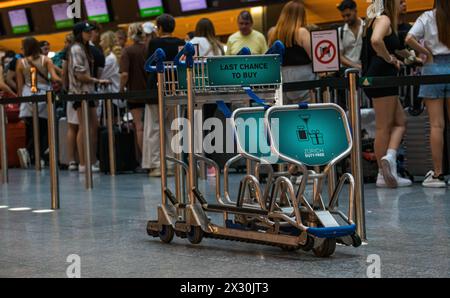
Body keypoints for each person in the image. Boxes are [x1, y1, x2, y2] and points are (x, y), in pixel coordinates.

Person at [361, 0, 412, 188]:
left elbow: (395, 47)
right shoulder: (383, 19)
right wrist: (390, 59)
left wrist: (412, 57)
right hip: (382, 77)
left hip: (380, 76)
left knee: (401, 122)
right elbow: (376, 41)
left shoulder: (377, 19)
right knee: (384, 126)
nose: (404, 4)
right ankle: (383, 174)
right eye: (401, 1)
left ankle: (389, 159)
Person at [406, 0, 450, 188]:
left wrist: (426, 53)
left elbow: (408, 39)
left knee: (436, 125)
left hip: (432, 69)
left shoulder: (427, 16)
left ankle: (438, 174)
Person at [145, 14, 185, 177]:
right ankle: (173, 164)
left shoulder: (154, 43)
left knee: (154, 127)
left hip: (156, 89)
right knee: (173, 127)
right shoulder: (181, 43)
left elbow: (149, 63)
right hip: (176, 90)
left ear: (160, 28)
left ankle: (156, 165)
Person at [68, 21, 110, 173]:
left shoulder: (85, 48)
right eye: (87, 31)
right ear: (79, 33)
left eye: (90, 31)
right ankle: (83, 163)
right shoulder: (76, 49)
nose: (90, 33)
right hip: (80, 93)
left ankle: (91, 160)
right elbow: (80, 75)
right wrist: (98, 81)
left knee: (92, 127)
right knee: (83, 127)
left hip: (89, 92)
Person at [16, 37, 62, 167]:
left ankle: (30, 153)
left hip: (28, 95)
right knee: (43, 128)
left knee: (31, 128)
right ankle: (36, 155)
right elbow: (54, 77)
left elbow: (20, 86)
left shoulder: (21, 62)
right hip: (42, 95)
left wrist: (20, 101)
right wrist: (63, 80)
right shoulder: (45, 59)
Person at [190, 18, 224, 177]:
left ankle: (197, 161)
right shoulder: (217, 45)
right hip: (215, 91)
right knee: (210, 126)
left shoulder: (193, 42)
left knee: (196, 127)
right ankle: (210, 164)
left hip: (197, 90)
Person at [268, 1, 315, 103]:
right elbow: (314, 57)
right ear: (301, 15)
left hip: (281, 77)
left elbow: (271, 58)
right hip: (303, 77)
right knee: (305, 113)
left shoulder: (272, 33)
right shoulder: (302, 32)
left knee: (285, 112)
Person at [120, 23, 148, 165]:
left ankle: (144, 159)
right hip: (150, 93)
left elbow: (124, 74)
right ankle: (154, 157)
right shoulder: (149, 48)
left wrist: (121, 89)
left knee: (139, 127)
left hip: (134, 94)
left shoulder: (127, 51)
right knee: (152, 126)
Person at [337, 0, 364, 70]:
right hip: (347, 71)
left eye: (348, 15)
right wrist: (357, 67)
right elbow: (340, 56)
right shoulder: (340, 32)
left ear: (355, 11)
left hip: (366, 69)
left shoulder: (366, 27)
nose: (346, 19)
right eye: (343, 16)